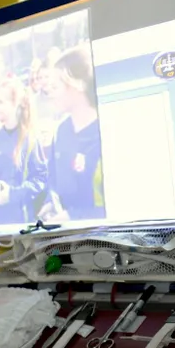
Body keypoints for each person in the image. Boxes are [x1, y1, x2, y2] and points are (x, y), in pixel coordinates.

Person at [38, 46, 105, 223]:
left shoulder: (105, 129)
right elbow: (54, 179)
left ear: (77, 85)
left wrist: (74, 217)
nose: (50, 93)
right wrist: (50, 203)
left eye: (56, 86)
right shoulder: (61, 130)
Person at [0, 76, 47, 226]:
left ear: (15, 104)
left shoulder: (30, 138)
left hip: (22, 220)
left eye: (1, 102)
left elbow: (41, 179)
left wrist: (12, 195)